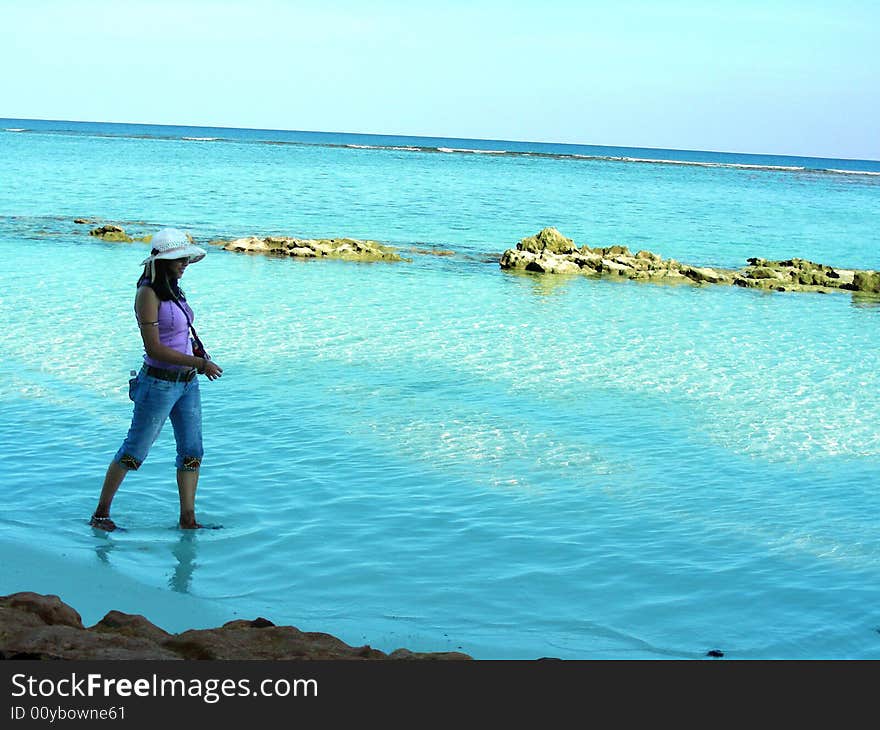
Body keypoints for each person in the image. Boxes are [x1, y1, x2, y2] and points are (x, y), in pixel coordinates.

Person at [90, 228, 223, 531]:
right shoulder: (147, 294)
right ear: (163, 261)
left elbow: (180, 335)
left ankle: (188, 519)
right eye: (179, 259)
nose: (185, 264)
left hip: (187, 383)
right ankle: (100, 513)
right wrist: (200, 362)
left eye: (186, 259)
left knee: (192, 452)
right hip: (159, 384)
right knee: (135, 451)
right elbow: (155, 349)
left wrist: (195, 362)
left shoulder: (174, 290)